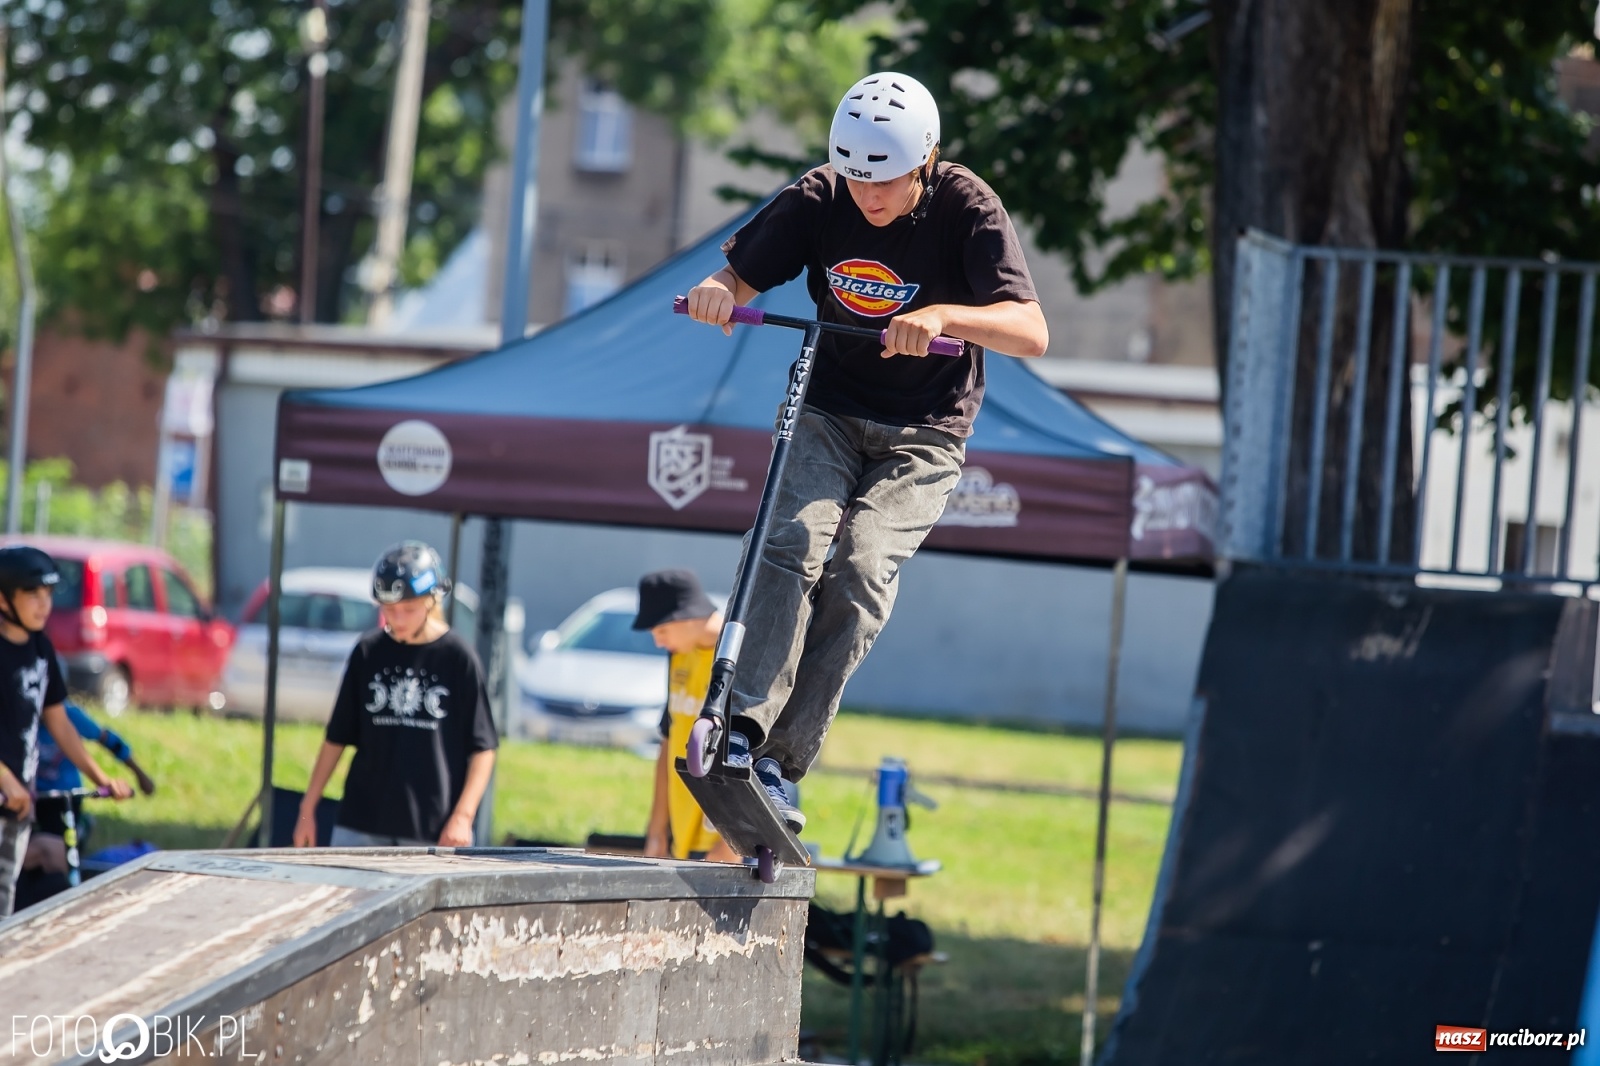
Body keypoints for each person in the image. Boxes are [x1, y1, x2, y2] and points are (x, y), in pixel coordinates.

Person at [682, 71, 1048, 827]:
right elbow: (737, 276)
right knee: (788, 541)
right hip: (829, 410)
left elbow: (1032, 331)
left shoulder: (968, 207)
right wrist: (721, 291)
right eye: (855, 177)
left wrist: (947, 315)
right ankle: (744, 728)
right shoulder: (820, 197)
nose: (866, 196)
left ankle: (783, 762)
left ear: (926, 162)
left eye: (883, 181)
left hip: (926, 435)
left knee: (862, 567)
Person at [293, 542, 497, 849]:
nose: (397, 619)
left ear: (432, 600)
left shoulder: (458, 658)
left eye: (408, 610)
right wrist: (307, 809)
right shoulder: (368, 651)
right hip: (360, 823)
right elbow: (336, 737)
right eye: (389, 609)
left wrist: (463, 817)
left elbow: (483, 748)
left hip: (430, 828)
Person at [0, 546, 132, 916]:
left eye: (48, 595)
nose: (44, 605)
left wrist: (103, 778)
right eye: (32, 595)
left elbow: (59, 721)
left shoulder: (41, 650)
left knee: (5, 895)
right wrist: (5, 779)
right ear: (3, 599)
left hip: (19, 798)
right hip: (6, 788)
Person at [635, 570, 741, 863]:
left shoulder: (738, 658)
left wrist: (731, 844)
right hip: (683, 837)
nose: (658, 642)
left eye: (661, 631)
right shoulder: (679, 655)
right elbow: (669, 738)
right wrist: (657, 830)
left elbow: (756, 752)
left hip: (725, 842)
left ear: (686, 616)